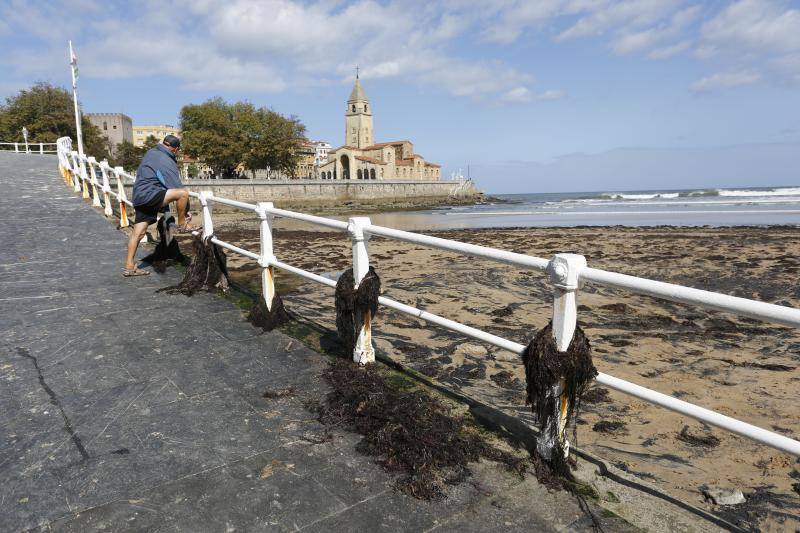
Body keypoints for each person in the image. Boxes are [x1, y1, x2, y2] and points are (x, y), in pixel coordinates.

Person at [123, 134, 193, 277]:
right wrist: (186, 211)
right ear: (175, 149)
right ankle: (182, 224)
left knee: (138, 233)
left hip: (139, 196)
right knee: (183, 193)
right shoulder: (166, 160)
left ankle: (129, 266)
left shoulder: (151, 152)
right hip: (150, 196)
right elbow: (176, 186)